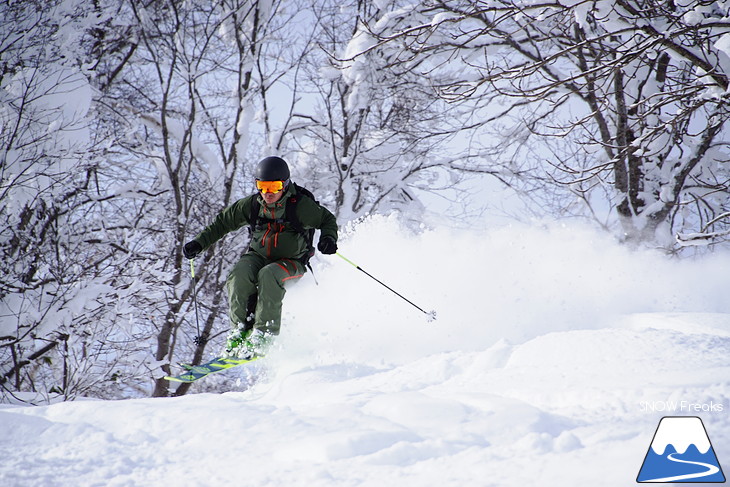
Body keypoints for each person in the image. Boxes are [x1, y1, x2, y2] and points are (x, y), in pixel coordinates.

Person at [182, 156, 338, 358]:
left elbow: (327, 220)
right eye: (262, 186)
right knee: (239, 275)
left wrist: (328, 239)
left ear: (285, 185)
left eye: (274, 187)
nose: (268, 193)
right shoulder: (253, 205)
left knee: (269, 275)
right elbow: (222, 223)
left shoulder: (299, 206)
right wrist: (199, 243)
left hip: (291, 263)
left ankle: (264, 334)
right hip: (258, 256)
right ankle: (240, 330)